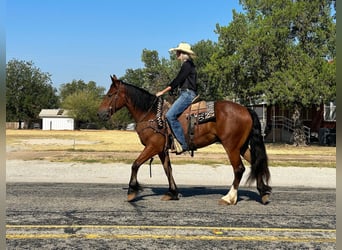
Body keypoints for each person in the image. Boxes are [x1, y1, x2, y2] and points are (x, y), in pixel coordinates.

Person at [156, 42, 197, 154]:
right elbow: (181, 81)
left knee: (170, 115)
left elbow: (177, 80)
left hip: (187, 94)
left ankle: (184, 144)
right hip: (186, 93)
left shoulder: (187, 65)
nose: (176, 54)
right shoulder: (189, 65)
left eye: (178, 52)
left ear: (183, 53)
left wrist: (162, 92)